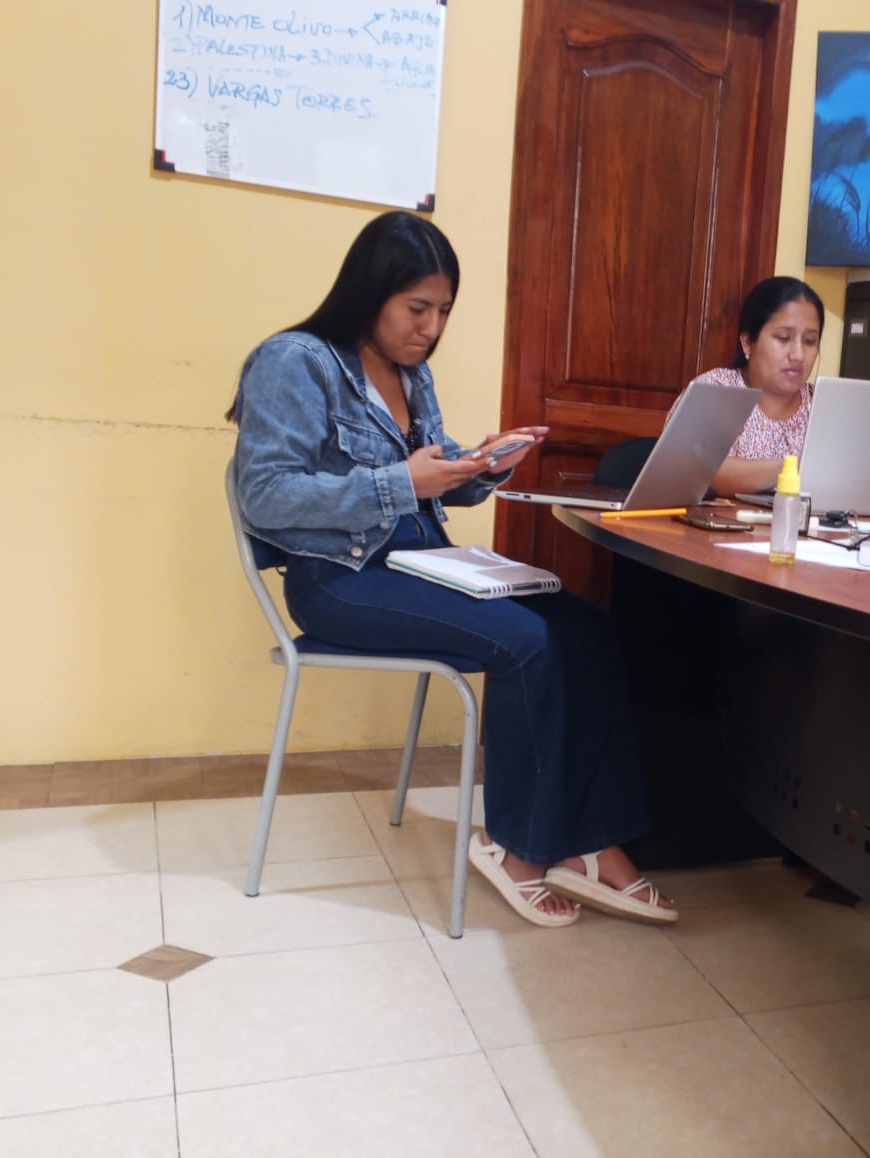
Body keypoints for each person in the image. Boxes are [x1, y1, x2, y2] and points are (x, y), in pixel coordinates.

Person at [227, 211, 676, 927]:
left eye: (443, 311)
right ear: (370, 292)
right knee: (527, 642)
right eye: (418, 308)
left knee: (586, 631)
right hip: (339, 579)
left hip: (422, 564)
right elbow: (266, 495)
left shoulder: (414, 373)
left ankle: (591, 841)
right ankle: (516, 845)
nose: (430, 328)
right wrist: (401, 482)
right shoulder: (295, 361)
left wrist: (482, 466)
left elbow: (434, 478)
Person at [677, 275, 825, 495]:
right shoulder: (716, 390)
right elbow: (694, 469)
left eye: (810, 341)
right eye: (783, 338)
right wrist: (794, 469)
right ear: (748, 343)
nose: (798, 355)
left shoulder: (823, 406)